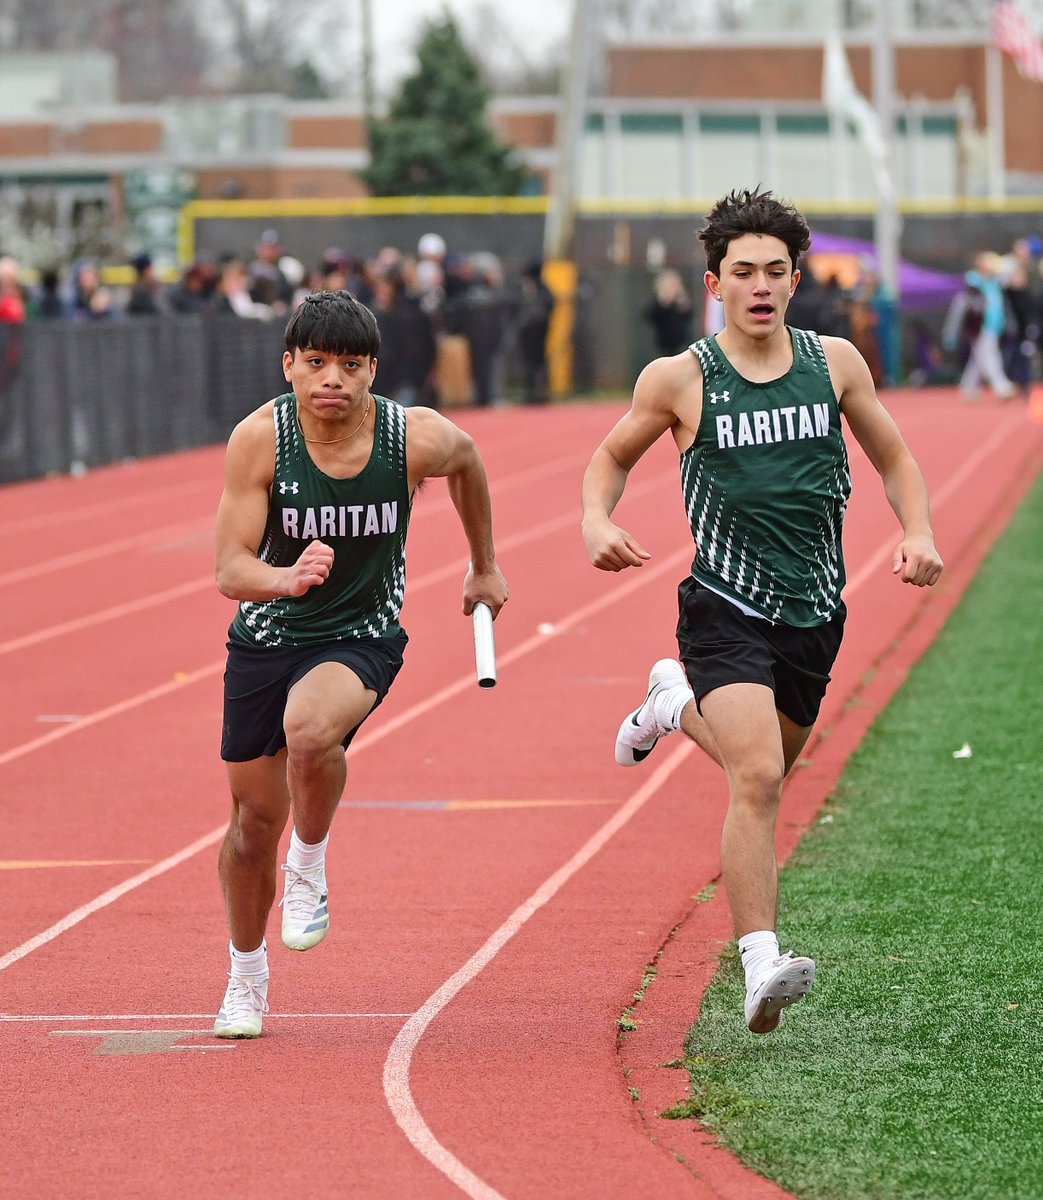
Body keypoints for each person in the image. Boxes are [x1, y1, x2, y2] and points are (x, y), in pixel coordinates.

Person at [580, 188, 943, 1036]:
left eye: (774, 272)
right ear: (714, 283)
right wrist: (597, 517)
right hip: (724, 606)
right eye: (742, 272)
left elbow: (892, 455)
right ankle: (758, 963)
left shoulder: (835, 364)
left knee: (767, 764)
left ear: (793, 279)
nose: (759, 286)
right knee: (758, 779)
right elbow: (609, 456)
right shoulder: (679, 379)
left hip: (815, 611)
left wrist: (917, 530)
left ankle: (670, 703)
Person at [212, 289, 508, 1038]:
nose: (332, 379)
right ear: (289, 367)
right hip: (268, 635)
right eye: (315, 363)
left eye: (349, 364)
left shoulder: (412, 438)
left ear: (372, 370)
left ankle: (308, 863)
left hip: (360, 633)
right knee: (250, 826)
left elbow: (469, 462)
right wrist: (285, 578)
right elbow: (228, 568)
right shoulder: (259, 441)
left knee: (310, 731)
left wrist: (483, 566)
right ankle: (246, 979)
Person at [644, 268, 695, 357]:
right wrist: (665, 301)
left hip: (681, 345)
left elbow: (688, 314)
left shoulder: (680, 301)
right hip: (664, 346)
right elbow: (650, 315)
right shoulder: (659, 303)